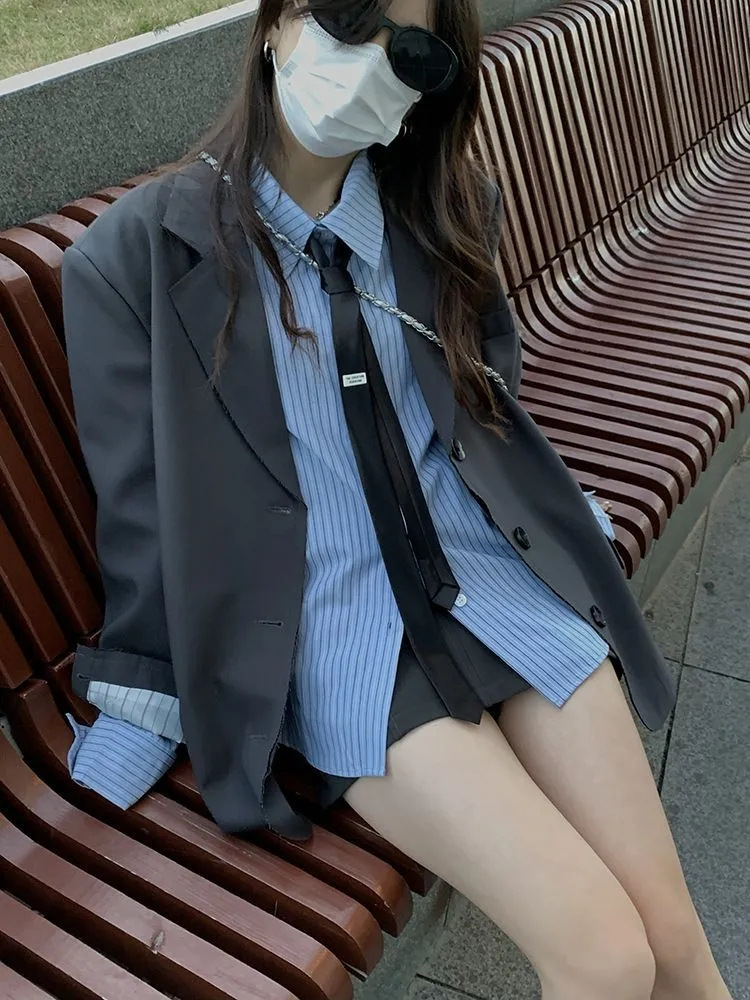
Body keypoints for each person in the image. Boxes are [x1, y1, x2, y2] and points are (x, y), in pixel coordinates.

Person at [60, 2, 733, 998]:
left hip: (489, 573)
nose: (372, 61)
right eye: (348, 17)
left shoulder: (441, 211)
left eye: (410, 50)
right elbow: (144, 520)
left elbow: (485, 401)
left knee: (673, 943)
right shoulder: (137, 260)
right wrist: (144, 704)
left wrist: (559, 524)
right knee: (605, 956)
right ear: (277, 21)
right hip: (338, 622)